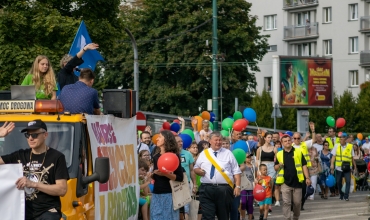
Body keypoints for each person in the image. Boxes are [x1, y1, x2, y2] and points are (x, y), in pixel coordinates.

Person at [0, 120, 69, 220]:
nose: (31, 138)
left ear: (45, 135)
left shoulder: (57, 157)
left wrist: (33, 184)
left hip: (47, 212)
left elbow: (62, 189)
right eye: (28, 135)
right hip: (23, 212)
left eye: (35, 135)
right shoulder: (20, 155)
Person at [194, 132, 241, 220]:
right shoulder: (204, 153)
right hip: (206, 188)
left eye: (220, 140)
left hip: (224, 189)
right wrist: (199, 171)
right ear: (210, 141)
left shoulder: (228, 153)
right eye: (216, 140)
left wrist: (237, 186)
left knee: (223, 216)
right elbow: (196, 167)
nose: (218, 142)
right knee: (207, 216)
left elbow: (236, 171)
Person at [274, 135, 311, 220]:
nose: (287, 142)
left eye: (288, 140)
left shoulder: (298, 151)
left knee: (297, 203)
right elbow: (275, 168)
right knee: (286, 202)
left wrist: (307, 178)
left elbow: (304, 165)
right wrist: (279, 165)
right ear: (282, 143)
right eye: (285, 141)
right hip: (285, 182)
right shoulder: (279, 154)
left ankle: (296, 217)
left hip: (297, 182)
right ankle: (287, 218)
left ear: (291, 141)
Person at [150, 130, 183, 220]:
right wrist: (152, 174)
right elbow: (156, 175)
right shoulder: (155, 156)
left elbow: (180, 177)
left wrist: (165, 174)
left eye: (160, 137)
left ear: (166, 140)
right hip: (156, 193)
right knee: (155, 217)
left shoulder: (173, 156)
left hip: (169, 194)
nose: (157, 138)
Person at [292, 122, 315, 210]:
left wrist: (313, 131)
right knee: (294, 189)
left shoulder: (304, 144)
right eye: (295, 138)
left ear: (301, 138)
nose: (297, 140)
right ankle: (294, 205)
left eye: (298, 138)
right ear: (293, 139)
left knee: (304, 189)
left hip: (304, 170)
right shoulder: (290, 146)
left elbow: (313, 140)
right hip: (294, 170)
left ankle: (301, 204)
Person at [330, 132, 356, 201]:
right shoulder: (336, 146)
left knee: (348, 181)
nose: (340, 140)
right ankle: (341, 194)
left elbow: (352, 158)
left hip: (347, 167)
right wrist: (332, 164)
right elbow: (333, 156)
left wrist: (354, 166)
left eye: (342, 138)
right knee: (338, 182)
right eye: (340, 138)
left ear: (345, 139)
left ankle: (346, 196)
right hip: (338, 167)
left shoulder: (350, 146)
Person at [175, 135, 196, 220]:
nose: (181, 143)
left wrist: (194, 185)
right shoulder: (169, 154)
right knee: (175, 209)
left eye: (181, 141)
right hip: (173, 185)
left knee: (185, 209)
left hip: (185, 184)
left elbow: (191, 170)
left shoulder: (187, 154)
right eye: (178, 142)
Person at [256, 132, 277, 210]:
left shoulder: (274, 148)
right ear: (264, 138)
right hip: (262, 166)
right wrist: (258, 170)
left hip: (271, 167)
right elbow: (257, 160)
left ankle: (269, 203)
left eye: (271, 137)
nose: (270, 139)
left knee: (270, 185)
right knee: (262, 185)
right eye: (268, 137)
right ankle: (261, 200)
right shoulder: (260, 149)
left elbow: (277, 160)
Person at [240, 153, 256, 220]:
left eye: (250, 157)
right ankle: (243, 218)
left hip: (251, 187)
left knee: (250, 204)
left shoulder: (254, 167)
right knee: (243, 203)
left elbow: (256, 176)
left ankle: (250, 218)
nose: (249, 158)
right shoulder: (242, 166)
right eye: (247, 157)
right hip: (243, 187)